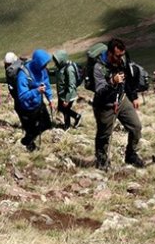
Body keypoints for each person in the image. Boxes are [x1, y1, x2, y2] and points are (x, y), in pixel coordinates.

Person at [91, 38, 145, 170]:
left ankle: (131, 155)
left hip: (121, 99)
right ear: (109, 53)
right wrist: (112, 82)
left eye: (122, 55)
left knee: (136, 127)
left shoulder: (123, 60)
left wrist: (133, 97)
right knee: (104, 135)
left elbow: (128, 80)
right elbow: (100, 91)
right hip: (105, 105)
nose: (121, 58)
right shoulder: (98, 67)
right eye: (118, 55)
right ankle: (102, 160)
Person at [15, 49, 54, 152]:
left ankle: (45, 149)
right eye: (43, 64)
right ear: (37, 63)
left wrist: (50, 99)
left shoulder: (43, 70)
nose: (46, 67)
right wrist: (36, 91)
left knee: (47, 126)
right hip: (27, 109)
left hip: (39, 104)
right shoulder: (23, 75)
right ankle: (29, 149)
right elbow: (22, 96)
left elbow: (47, 84)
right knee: (31, 133)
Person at [53, 49, 82, 129]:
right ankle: (75, 118)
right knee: (62, 109)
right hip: (62, 93)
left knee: (65, 110)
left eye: (57, 60)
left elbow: (71, 85)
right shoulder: (60, 67)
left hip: (68, 94)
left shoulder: (69, 69)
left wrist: (67, 99)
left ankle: (67, 125)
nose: (56, 62)